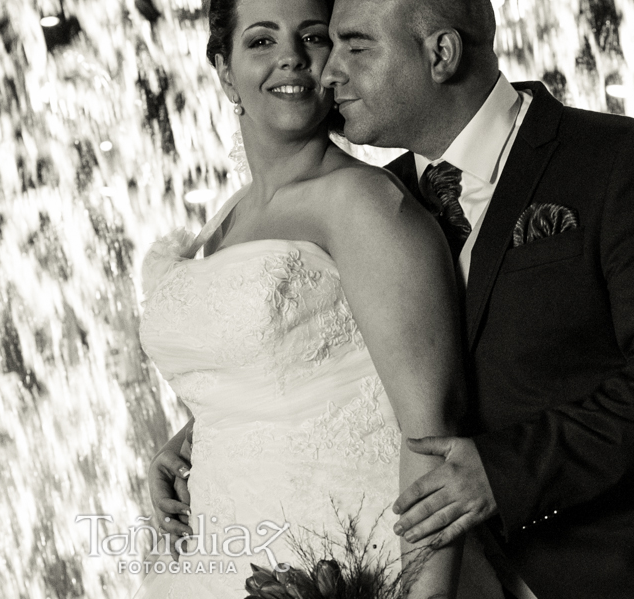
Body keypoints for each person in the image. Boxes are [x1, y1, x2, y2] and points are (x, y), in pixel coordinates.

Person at [135, 0, 499, 596]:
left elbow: (432, 437)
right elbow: (283, 371)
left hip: (346, 550)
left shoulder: (363, 206)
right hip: (224, 548)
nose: (290, 57)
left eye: (312, 36)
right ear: (224, 70)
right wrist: (192, 436)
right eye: (260, 41)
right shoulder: (229, 214)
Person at [318, 0, 634, 597]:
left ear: (441, 53)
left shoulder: (615, 161)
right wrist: (201, 432)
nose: (328, 71)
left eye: (356, 47)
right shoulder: (366, 206)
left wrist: (506, 471)